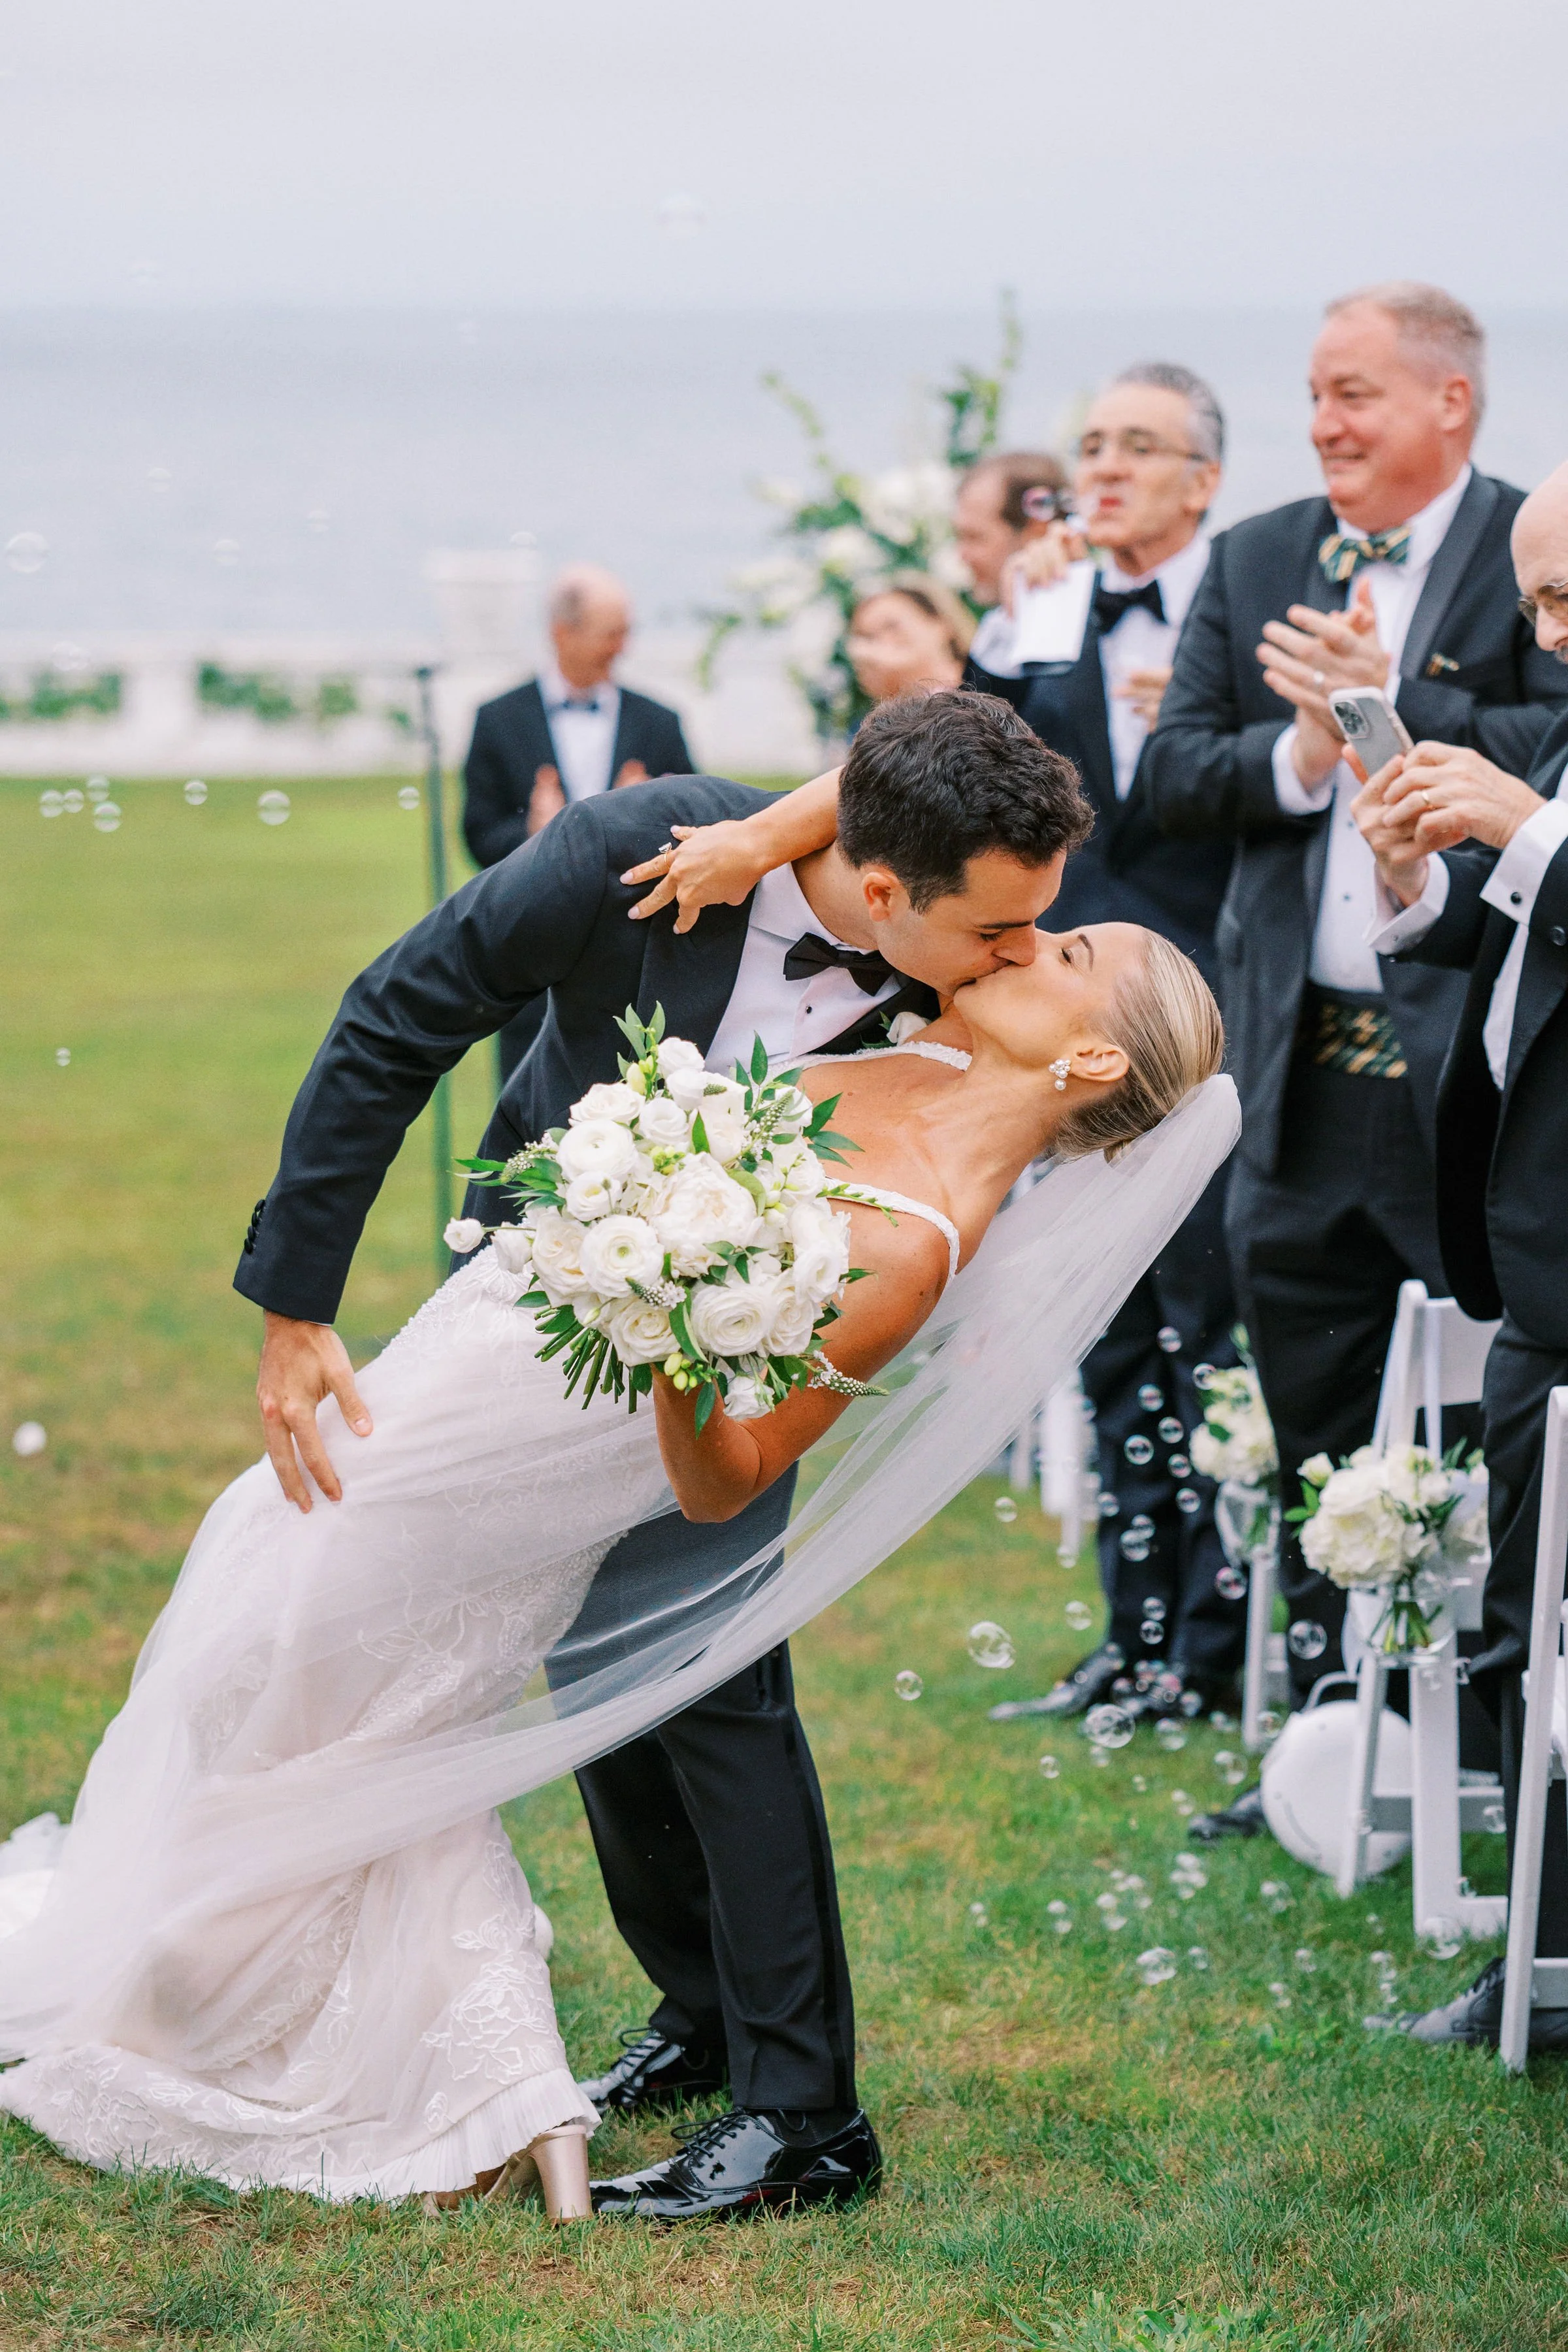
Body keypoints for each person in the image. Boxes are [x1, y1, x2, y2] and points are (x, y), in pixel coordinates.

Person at [0, 691, 1233, 2224]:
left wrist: (670, 1303)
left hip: (686, 1373)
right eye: (1001, 931)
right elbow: (397, 1012)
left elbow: (772, 1379)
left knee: (708, 1688)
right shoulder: (639, 864)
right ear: (876, 894)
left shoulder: (950, 1043)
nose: (1011, 948)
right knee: (568, 1678)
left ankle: (798, 2109)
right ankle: (690, 2017)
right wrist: (297, 1308)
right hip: (529, 1328)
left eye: (1040, 939)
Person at [1143, 284, 1568, 1833]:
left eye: (1352, 395)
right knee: (1311, 1403)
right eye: (1312, 397)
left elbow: (1557, 738)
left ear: (1446, 403)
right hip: (1293, 1069)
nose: (1320, 423)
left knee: (1475, 1419)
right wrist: (1303, 749)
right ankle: (1334, 1747)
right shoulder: (1252, 555)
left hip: (1461, 1082)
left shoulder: (1541, 547)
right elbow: (1164, 778)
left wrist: (1397, 705)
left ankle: (1482, 1745)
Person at [967, 362, 1243, 1722]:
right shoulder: (1057, 609)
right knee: (1111, 1332)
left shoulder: (1244, 617)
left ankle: (1214, 1644)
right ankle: (1131, 1640)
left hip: (1209, 1025)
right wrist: (1021, 622)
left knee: (1209, 1337)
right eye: (1090, 445)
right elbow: (966, 767)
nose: (1106, 468)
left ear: (1205, 481)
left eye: (1140, 446)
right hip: (1076, 1033)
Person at [1350, 459, 1568, 2050]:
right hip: (1528, 1244)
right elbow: (1508, 949)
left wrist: (1532, 834)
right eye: (1533, 603)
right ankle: (1538, 1958)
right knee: (1519, 1624)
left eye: (1567, 600)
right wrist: (1418, 881)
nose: (1546, 639)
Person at [463, 562, 695, 1084]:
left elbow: (699, 826)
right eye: (610, 633)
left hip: (637, 955)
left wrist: (650, 816)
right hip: (531, 951)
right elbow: (478, 834)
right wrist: (533, 831)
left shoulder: (660, 722)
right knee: (528, 1106)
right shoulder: (498, 719)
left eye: (626, 632)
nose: (622, 647)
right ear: (560, 633)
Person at [951, 449, 1069, 676]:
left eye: (975, 537)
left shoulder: (1090, 622)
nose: (962, 556)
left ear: (1036, 529)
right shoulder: (994, 631)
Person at [845, 574, 974, 706]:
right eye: (868, 637)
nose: (881, 642)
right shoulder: (883, 721)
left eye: (891, 626)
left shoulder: (986, 686)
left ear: (939, 622)